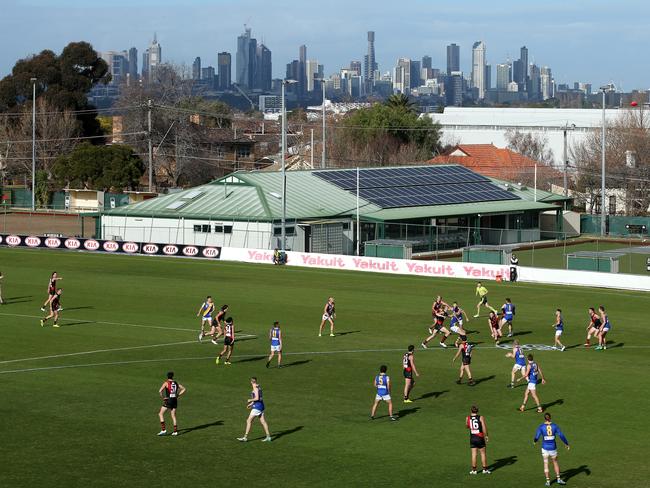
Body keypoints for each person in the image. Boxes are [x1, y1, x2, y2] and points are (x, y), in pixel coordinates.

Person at [533, 412, 569, 486]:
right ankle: (558, 479)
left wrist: (535, 441)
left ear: (544, 418)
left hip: (544, 448)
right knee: (555, 462)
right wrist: (566, 443)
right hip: (553, 448)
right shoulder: (555, 426)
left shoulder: (541, 426)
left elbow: (537, 436)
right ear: (550, 417)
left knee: (546, 463)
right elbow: (561, 435)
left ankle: (548, 481)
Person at [237, 377, 272, 442]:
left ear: (251, 381)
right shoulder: (258, 386)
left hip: (257, 407)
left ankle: (245, 437)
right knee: (263, 422)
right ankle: (268, 437)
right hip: (261, 406)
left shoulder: (255, 387)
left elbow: (257, 398)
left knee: (248, 421)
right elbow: (258, 398)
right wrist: (251, 404)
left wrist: (250, 400)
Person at [157, 371, 186, 436]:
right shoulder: (176, 383)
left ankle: (163, 430)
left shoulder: (166, 383)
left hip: (169, 400)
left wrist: (163, 398)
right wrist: (178, 395)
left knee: (160, 413)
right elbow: (184, 389)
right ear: (172, 376)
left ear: (167, 376)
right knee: (173, 415)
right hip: (175, 400)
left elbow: (160, 391)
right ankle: (175, 431)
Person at [466, 405, 491, 475]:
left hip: (472, 438)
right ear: (477, 411)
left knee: (474, 454)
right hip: (480, 437)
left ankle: (474, 470)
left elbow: (467, 426)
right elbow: (484, 427)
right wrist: (486, 436)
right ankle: (485, 470)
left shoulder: (468, 418)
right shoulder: (480, 417)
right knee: (483, 454)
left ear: (471, 411)